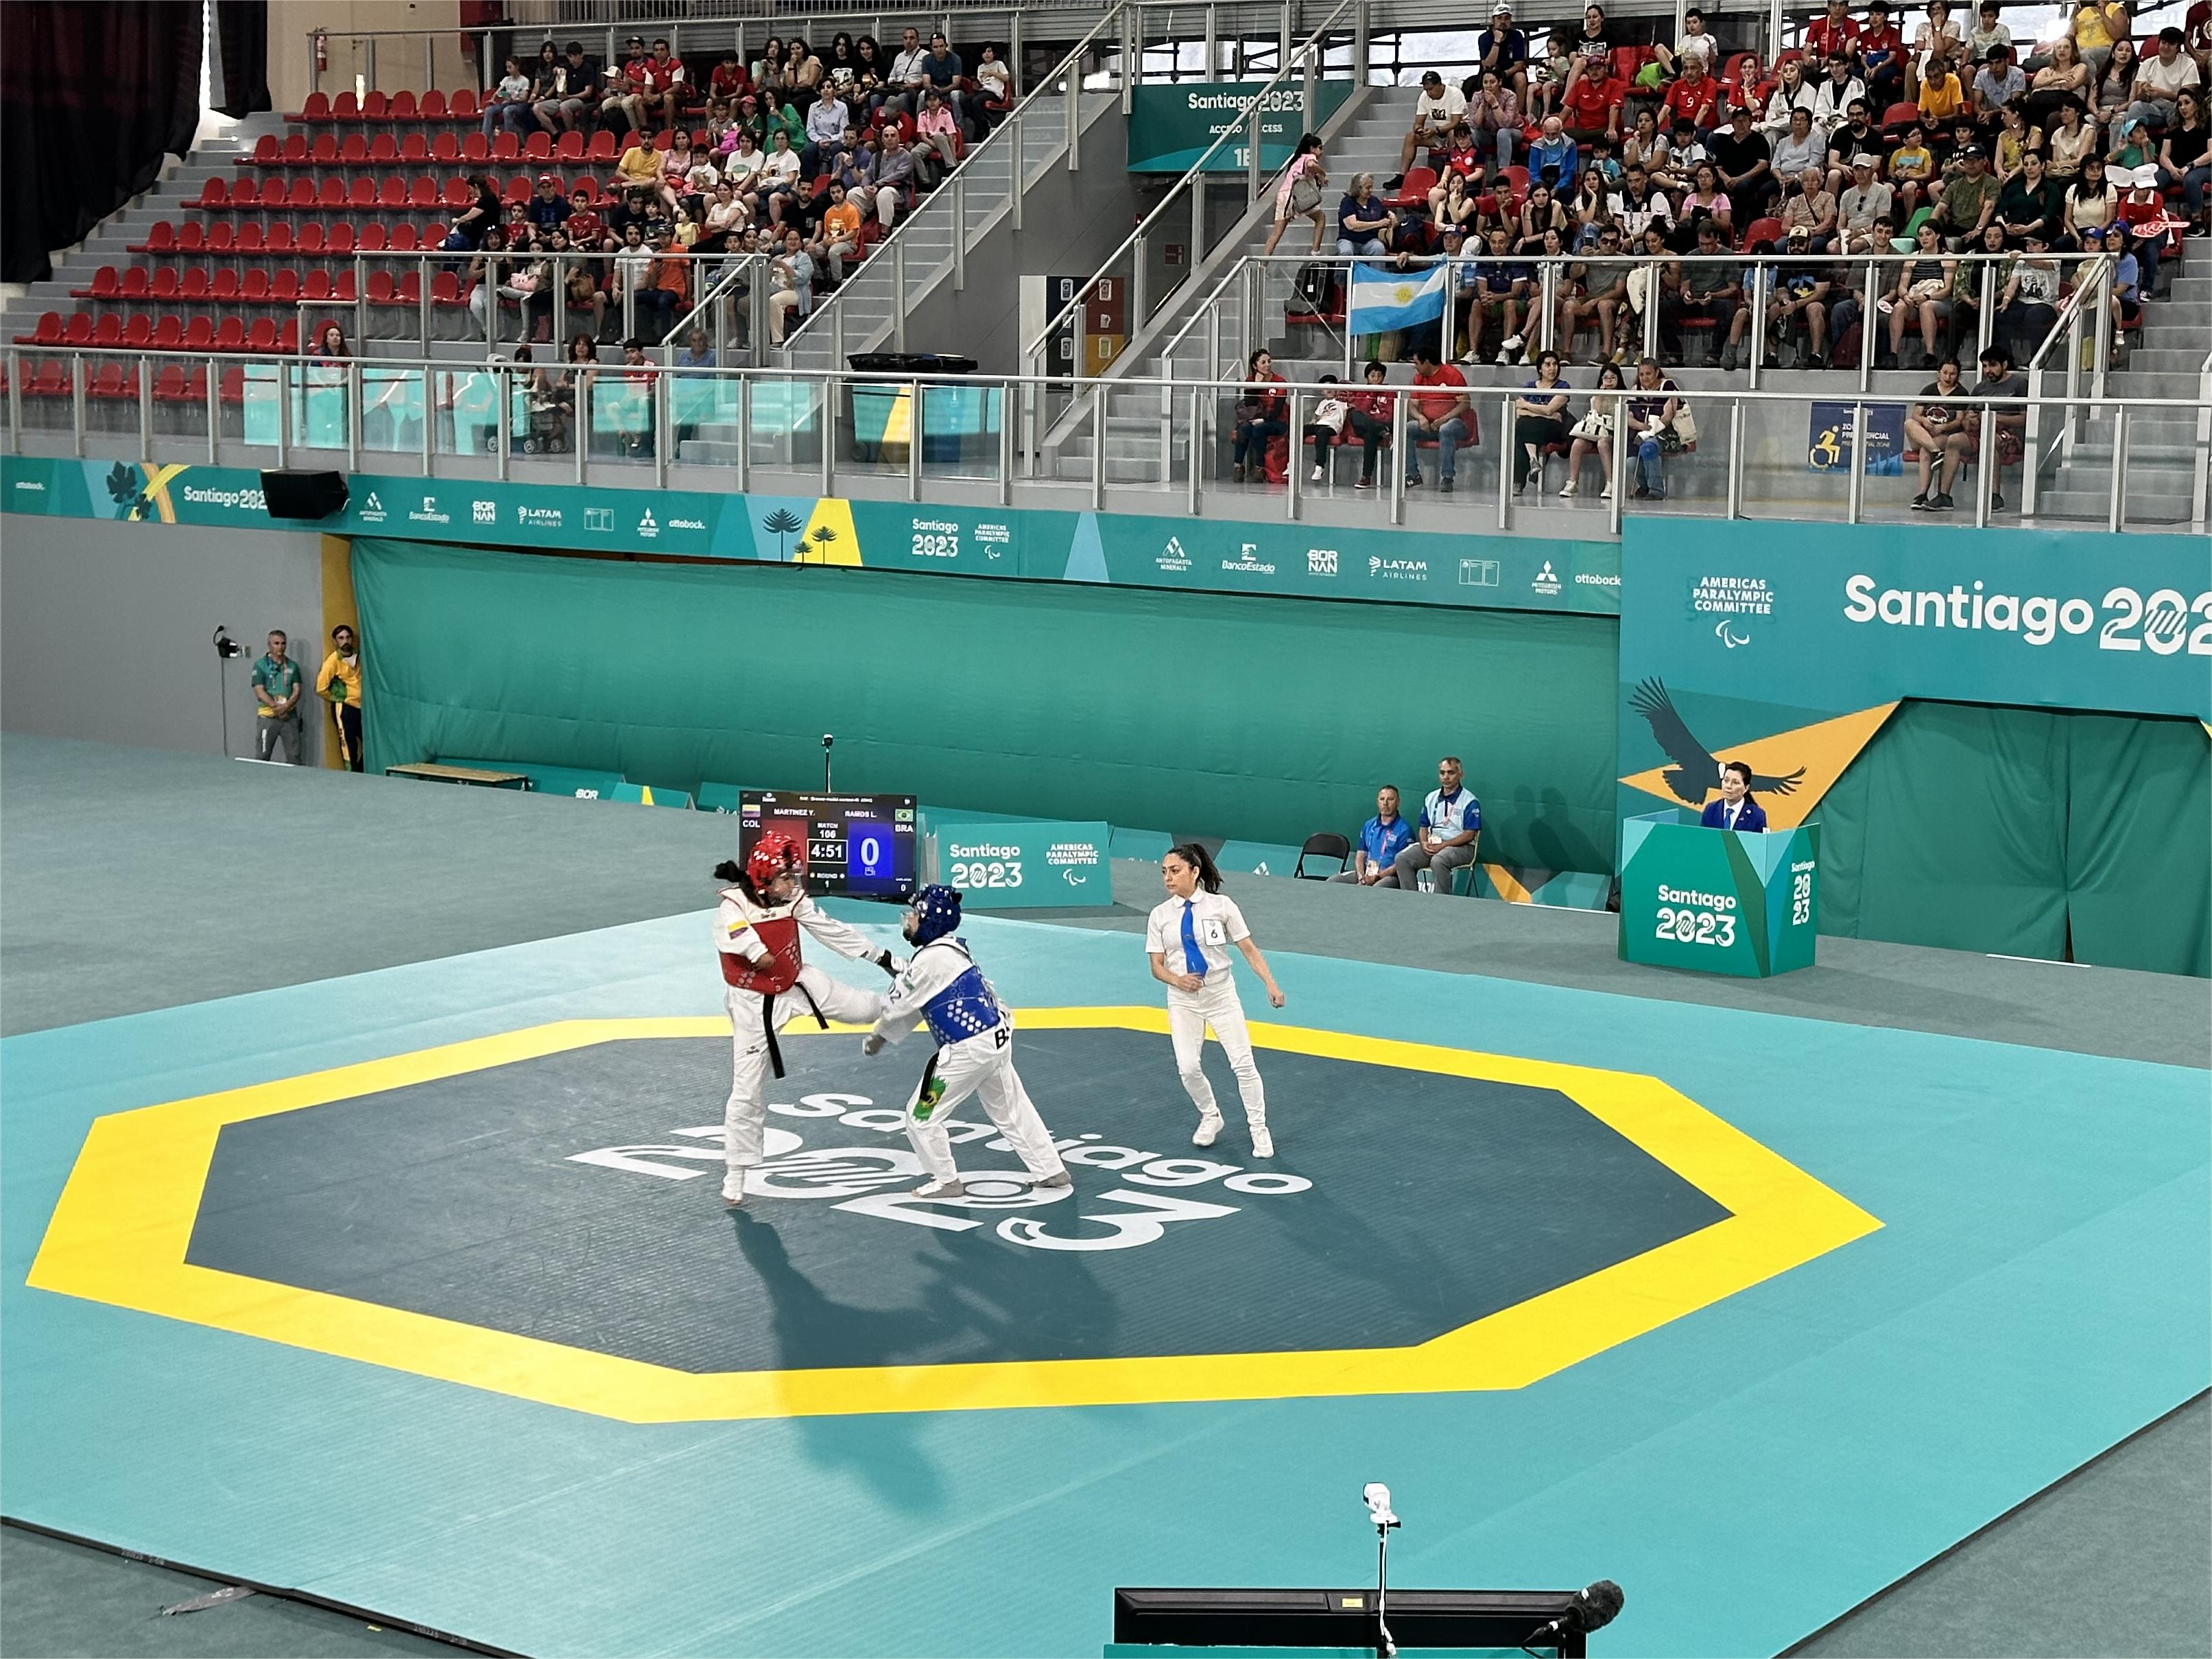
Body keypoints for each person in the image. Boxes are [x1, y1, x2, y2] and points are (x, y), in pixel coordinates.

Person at [711, 833, 899, 1207]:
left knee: (865, 1009)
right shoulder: (732, 906)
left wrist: (882, 958)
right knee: (746, 1091)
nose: (793, 885)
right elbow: (733, 934)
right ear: (763, 880)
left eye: (794, 877)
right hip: (753, 1007)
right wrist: (755, 951)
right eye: (785, 878)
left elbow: (832, 930)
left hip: (799, 984)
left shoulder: (793, 900)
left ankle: (908, 1002)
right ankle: (736, 1171)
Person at [860, 885, 1070, 1201]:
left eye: (915, 914)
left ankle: (946, 1181)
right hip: (996, 1042)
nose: (908, 919)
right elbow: (920, 992)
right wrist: (884, 1032)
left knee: (921, 1118)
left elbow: (896, 1003)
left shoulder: (929, 960)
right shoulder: (951, 949)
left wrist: (877, 1035)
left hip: (967, 1053)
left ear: (930, 920)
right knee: (1011, 1108)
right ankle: (1050, 1169)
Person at [1145, 844, 1285, 1158]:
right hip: (1183, 999)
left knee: (1243, 1064)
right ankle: (1210, 1115)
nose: (1168, 878)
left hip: (1221, 995)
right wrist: (1178, 980)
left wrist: (1270, 983)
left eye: (1175, 871)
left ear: (1194, 872)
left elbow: (1248, 949)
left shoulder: (1222, 906)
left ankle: (1259, 1129)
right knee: (1188, 1068)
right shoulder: (1160, 916)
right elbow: (1156, 966)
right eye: (1164, 872)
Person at [1387, 756, 1482, 894]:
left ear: (1461, 774)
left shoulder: (1470, 801)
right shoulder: (1431, 797)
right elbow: (1423, 827)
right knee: (1402, 859)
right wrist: (1424, 843)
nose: (1446, 777)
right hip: (1434, 844)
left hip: (1462, 847)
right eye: (1442, 773)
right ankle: (1410, 899)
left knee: (1438, 861)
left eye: (1451, 773)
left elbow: (1469, 835)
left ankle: (1440, 902)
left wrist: (1444, 845)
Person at [1961, 342, 2027, 508]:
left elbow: (2025, 419)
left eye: (1992, 365)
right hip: (1980, 431)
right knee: (1954, 441)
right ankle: (1943, 496)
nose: (1988, 370)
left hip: (2009, 434)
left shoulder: (2019, 383)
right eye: (1984, 366)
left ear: (2004, 365)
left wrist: (1995, 418)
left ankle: (1994, 495)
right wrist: (1970, 420)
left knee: (1992, 440)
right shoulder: (1980, 388)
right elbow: (1967, 417)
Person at [1403, 345, 1473, 492]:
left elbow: (1465, 404)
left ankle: (1447, 477)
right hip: (1429, 425)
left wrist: (1444, 419)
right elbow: (1412, 405)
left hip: (1455, 423)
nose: (1414, 367)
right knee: (1407, 429)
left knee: (1446, 429)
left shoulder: (1452, 375)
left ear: (1427, 362)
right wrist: (1420, 417)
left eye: (1416, 363)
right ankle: (1413, 475)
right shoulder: (1418, 379)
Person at [1562, 359, 1626, 497]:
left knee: (1603, 443)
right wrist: (1600, 397)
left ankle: (1610, 483)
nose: (1609, 381)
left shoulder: (1625, 396)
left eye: (1613, 378)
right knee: (1578, 443)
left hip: (1614, 433)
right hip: (1596, 431)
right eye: (1606, 378)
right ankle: (1573, 482)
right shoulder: (1596, 396)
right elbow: (1596, 414)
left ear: (1619, 379)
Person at [1626, 355, 1685, 498]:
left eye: (1648, 374)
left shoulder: (1668, 387)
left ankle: (1656, 491)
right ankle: (1645, 486)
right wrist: (1641, 426)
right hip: (1641, 434)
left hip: (1665, 433)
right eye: (1641, 375)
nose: (1645, 378)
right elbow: (1628, 416)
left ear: (1657, 372)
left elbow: (1668, 416)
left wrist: (1652, 430)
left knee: (1648, 448)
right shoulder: (1635, 390)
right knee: (1631, 462)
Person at [1331, 785, 1416, 885]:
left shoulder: (1405, 830)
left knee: (1378, 887)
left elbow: (1399, 864)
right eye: (1382, 799)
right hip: (1367, 873)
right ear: (1377, 802)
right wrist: (1361, 876)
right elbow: (1361, 854)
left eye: (1390, 799)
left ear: (1398, 802)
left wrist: (1377, 877)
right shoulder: (1369, 825)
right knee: (1334, 881)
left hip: (1389, 877)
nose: (1385, 803)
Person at [1513, 349, 1572, 490]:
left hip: (1554, 429)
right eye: (1548, 365)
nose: (1552, 368)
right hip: (1535, 426)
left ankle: (1519, 482)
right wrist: (1546, 414)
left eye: (1555, 364)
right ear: (1540, 369)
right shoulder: (1530, 386)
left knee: (1522, 428)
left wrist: (1528, 407)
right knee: (1523, 426)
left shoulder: (1563, 386)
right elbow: (1518, 411)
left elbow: (1550, 409)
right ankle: (1533, 461)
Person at [1265, 134, 1329, 256]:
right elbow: (1311, 165)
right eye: (1320, 148)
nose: (1321, 152)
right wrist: (1323, 173)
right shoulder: (1309, 157)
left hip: (1287, 196)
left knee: (1276, 233)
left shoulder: (1298, 160)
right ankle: (1315, 252)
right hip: (1293, 196)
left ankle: (1263, 264)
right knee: (1320, 218)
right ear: (1312, 149)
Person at [250, 629, 303, 763]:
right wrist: (277, 709)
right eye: (276, 643)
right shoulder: (260, 666)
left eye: (283, 643)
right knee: (263, 756)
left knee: (294, 756)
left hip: (289, 716)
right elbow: (259, 691)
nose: (280, 647)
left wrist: (286, 707)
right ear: (269, 645)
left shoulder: (292, 666)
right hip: (268, 715)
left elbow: (297, 690)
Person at [316, 623, 364, 769]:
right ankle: (352, 774)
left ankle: (361, 770)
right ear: (335, 641)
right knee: (348, 745)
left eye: (348, 637)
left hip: (363, 707)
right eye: (341, 638)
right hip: (345, 708)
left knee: (370, 742)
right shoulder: (333, 661)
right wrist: (338, 697)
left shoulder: (360, 656)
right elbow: (321, 688)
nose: (345, 641)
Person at [1342, 359, 1395, 488]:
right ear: (1367, 377)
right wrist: (1372, 393)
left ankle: (1366, 477)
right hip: (1368, 427)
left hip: (1381, 426)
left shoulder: (1390, 392)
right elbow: (1363, 411)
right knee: (1355, 415)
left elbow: (1389, 415)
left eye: (1379, 376)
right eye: (1373, 376)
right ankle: (1383, 433)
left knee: (1370, 435)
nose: (1376, 379)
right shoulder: (1362, 391)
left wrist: (1373, 419)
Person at [1702, 761, 1769, 830]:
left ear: (1746, 788)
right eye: (1726, 780)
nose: (1728, 786)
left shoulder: (1757, 815)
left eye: (1735, 782)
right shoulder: (1711, 810)